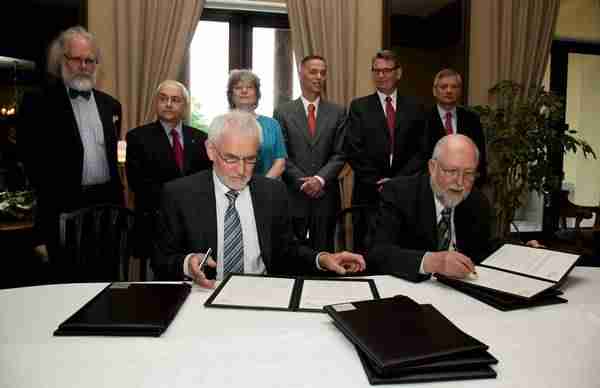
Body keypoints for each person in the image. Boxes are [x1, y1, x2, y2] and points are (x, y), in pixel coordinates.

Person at [153, 110, 366, 287]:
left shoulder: (272, 193)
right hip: (203, 294)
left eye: (250, 159)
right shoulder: (179, 194)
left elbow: (287, 251)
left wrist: (322, 259)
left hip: (262, 292)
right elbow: (161, 259)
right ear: (211, 150)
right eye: (231, 159)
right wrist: (188, 262)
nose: (241, 170)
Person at [18, 26, 123, 263]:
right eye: (76, 59)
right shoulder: (38, 103)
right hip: (61, 212)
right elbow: (29, 160)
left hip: (105, 211)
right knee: (64, 284)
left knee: (104, 279)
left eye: (90, 60)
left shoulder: (111, 106)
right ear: (61, 60)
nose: (84, 67)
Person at [368, 134, 493, 282]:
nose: (460, 182)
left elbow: (483, 251)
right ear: (432, 167)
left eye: (468, 174)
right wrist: (432, 262)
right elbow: (377, 253)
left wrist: (521, 249)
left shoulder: (477, 201)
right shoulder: (399, 193)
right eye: (452, 171)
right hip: (410, 289)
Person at [344, 49, 428, 251]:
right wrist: (377, 181)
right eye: (376, 71)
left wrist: (397, 181)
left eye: (387, 70)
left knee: (400, 248)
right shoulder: (359, 107)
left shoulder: (416, 106)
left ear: (398, 73)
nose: (381, 75)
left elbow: (422, 150)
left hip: (405, 192)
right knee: (364, 251)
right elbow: (353, 150)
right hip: (368, 193)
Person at [125, 80, 212, 262]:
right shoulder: (137, 137)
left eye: (175, 99)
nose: (169, 104)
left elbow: (205, 180)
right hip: (155, 223)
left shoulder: (201, 138)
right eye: (163, 99)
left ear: (185, 106)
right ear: (156, 102)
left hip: (192, 224)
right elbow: (138, 185)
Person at [273, 55, 345, 252]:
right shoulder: (283, 112)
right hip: (295, 197)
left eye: (323, 72)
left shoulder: (338, 112)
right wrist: (304, 182)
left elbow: (340, 154)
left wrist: (319, 180)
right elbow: (282, 155)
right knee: (294, 256)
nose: (318, 77)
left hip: (326, 197)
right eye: (313, 72)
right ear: (300, 74)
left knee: (325, 258)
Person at [425, 68, 487, 185]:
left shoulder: (472, 119)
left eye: (454, 87)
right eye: (443, 87)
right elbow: (419, 158)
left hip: (466, 187)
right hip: (432, 187)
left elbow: (479, 156)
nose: (449, 91)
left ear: (460, 91)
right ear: (434, 91)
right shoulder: (422, 119)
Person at [226, 69, 286, 178]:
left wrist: (262, 186)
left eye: (249, 87)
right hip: (232, 188)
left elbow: (280, 162)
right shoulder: (222, 124)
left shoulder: (272, 124)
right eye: (238, 88)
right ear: (231, 95)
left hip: (268, 188)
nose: (244, 91)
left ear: (257, 94)